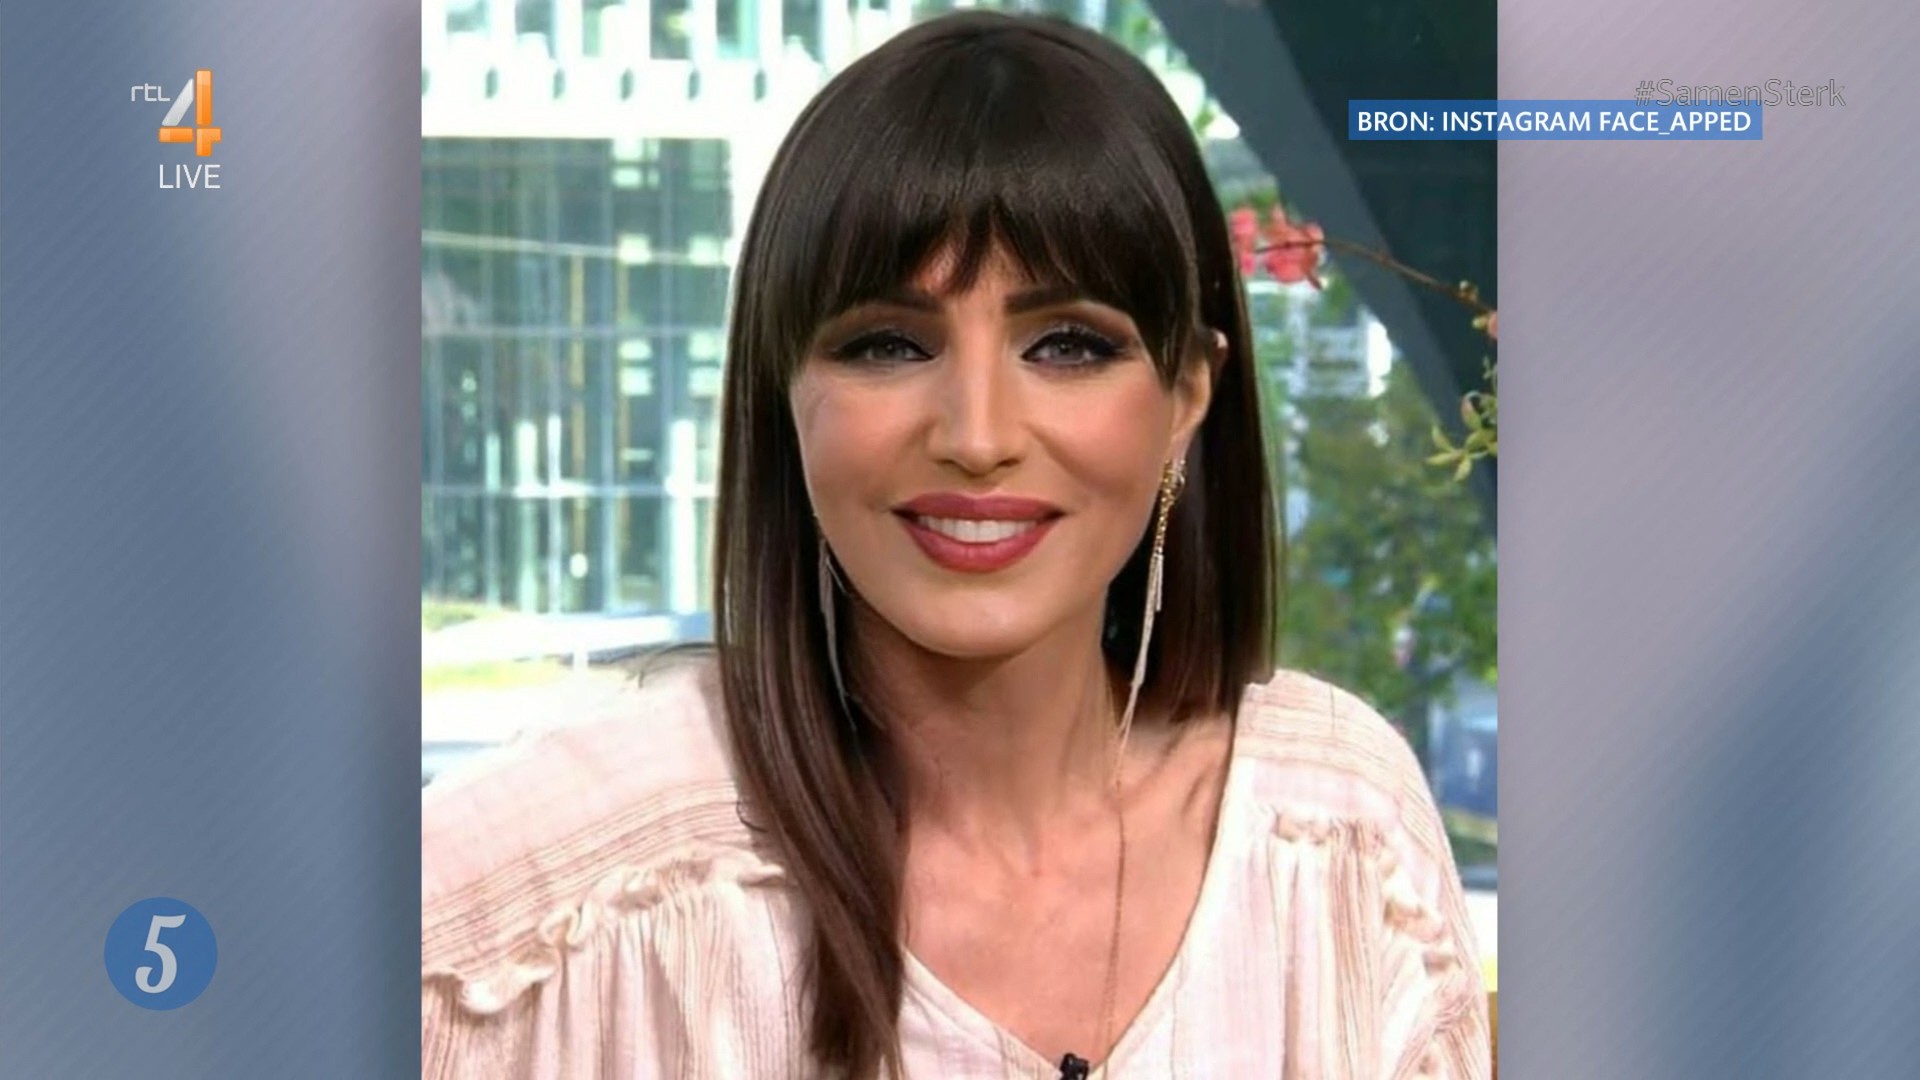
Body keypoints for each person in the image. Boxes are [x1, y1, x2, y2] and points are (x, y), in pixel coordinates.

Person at [422, 11, 1490, 1078]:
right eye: (889, 345)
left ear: (1187, 397)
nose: (977, 438)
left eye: (1067, 345)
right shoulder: (570, 882)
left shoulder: (1338, 838)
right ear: (783, 391)